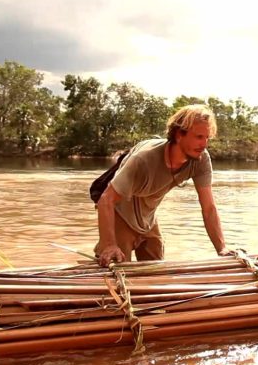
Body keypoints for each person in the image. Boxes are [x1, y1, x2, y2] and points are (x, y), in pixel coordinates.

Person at [95, 104, 232, 266]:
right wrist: (109, 244)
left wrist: (222, 249)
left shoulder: (201, 160)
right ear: (179, 135)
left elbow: (209, 208)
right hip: (121, 213)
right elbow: (106, 200)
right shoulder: (143, 160)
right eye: (199, 137)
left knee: (157, 269)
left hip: (148, 217)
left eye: (207, 138)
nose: (204, 144)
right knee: (118, 269)